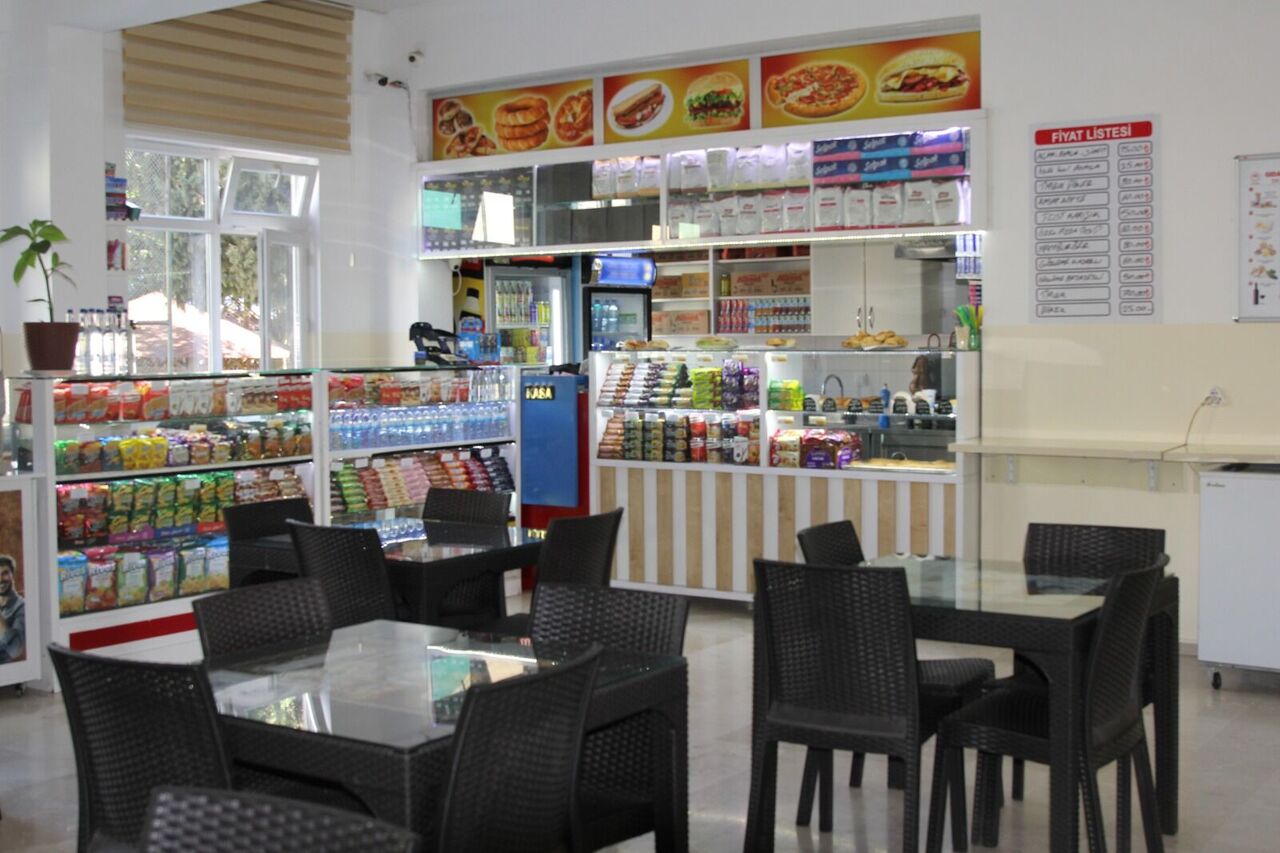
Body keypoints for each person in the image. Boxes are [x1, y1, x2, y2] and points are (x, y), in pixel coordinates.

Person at [0, 554, 25, 664]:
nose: (0, 579)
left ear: (13, 574)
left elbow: (15, 649)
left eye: (5, 573)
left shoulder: (22, 607)